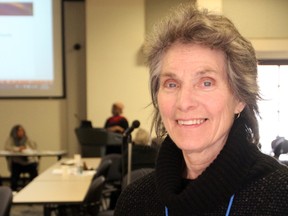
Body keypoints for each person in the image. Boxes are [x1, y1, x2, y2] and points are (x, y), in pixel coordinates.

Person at [114, 2, 288, 215]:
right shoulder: (134, 202)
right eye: (171, 84)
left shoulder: (280, 196)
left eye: (206, 82)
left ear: (240, 98)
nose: (184, 102)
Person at [4, 125, 38, 191]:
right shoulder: (11, 139)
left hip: (27, 162)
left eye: (22, 130)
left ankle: (35, 188)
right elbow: (7, 148)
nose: (21, 132)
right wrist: (18, 149)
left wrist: (26, 148)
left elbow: (34, 147)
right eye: (19, 131)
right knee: (14, 173)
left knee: (34, 168)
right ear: (15, 132)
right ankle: (13, 190)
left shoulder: (26, 138)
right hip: (17, 163)